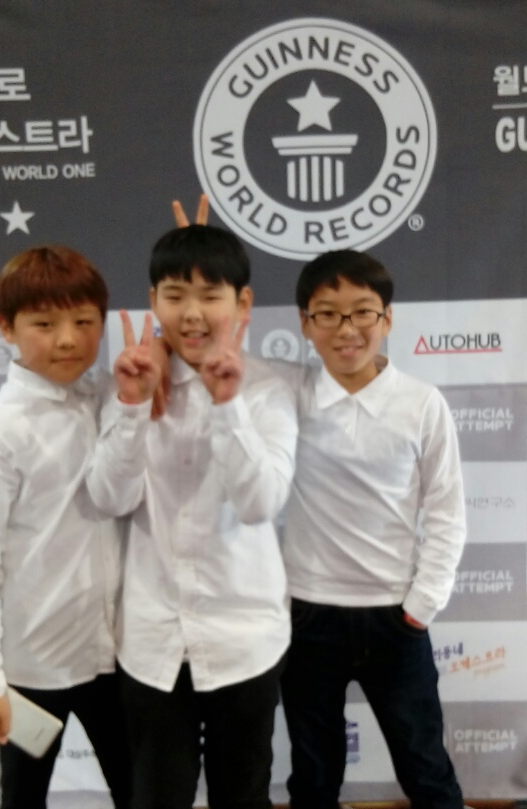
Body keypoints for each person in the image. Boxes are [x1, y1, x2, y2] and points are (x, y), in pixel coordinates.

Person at [89, 223, 298, 809]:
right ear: (153, 301)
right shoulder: (128, 382)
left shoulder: (267, 391)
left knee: (243, 796)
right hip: (153, 642)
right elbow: (110, 498)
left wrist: (227, 405)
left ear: (243, 302)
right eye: (175, 295)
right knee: (156, 798)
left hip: (243, 638)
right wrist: (132, 407)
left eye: (211, 295)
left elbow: (259, 502)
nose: (193, 312)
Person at [279, 249, 467, 809]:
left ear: (387, 318)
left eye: (362, 311)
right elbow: (217, 360)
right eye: (327, 314)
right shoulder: (288, 392)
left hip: (395, 617)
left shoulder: (421, 403)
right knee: (314, 775)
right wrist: (201, 278)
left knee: (426, 768)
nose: (347, 329)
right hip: (307, 616)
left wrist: (421, 607)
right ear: (305, 323)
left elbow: (447, 511)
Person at [0, 245, 134, 809]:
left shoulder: (113, 398)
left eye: (84, 322)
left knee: (145, 795)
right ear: (7, 327)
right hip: (29, 670)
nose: (68, 340)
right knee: (19, 802)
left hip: (118, 659)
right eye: (44, 324)